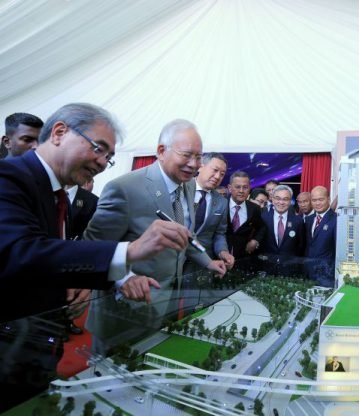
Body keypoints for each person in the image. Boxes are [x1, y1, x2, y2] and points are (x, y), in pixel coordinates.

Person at [0, 103, 185, 411]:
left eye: (109, 158)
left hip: (36, 348)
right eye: (99, 149)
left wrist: (117, 278)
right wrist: (130, 250)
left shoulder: (58, 194)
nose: (102, 163)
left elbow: (51, 261)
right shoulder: (9, 177)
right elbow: (21, 252)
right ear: (59, 132)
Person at [84, 119, 226, 354]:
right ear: (161, 151)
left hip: (167, 303)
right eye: (187, 155)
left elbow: (182, 231)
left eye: (199, 157)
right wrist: (125, 278)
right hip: (124, 308)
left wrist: (207, 261)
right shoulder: (125, 188)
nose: (194, 164)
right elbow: (93, 246)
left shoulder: (188, 185)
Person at [65, 178, 99, 335]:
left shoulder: (92, 201)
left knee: (70, 297)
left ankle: (65, 324)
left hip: (75, 257)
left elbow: (95, 236)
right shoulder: (39, 191)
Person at [192, 152, 234, 268]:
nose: (217, 177)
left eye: (222, 174)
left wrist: (223, 251)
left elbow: (219, 233)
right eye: (215, 170)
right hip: (172, 258)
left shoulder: (222, 202)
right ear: (200, 166)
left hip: (203, 262)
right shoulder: (180, 189)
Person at [260, 184, 305, 276]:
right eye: (277, 198)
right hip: (267, 269)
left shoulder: (298, 221)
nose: (281, 202)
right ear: (272, 199)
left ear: (290, 201)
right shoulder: (263, 218)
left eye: (285, 199)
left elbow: (301, 246)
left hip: (290, 270)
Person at [226, 171, 264, 265]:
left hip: (243, 258)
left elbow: (262, 227)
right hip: (218, 257)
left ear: (249, 189)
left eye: (245, 187)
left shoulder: (254, 208)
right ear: (230, 188)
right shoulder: (220, 205)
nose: (241, 191)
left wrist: (255, 241)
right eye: (238, 187)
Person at [304, 186, 336, 287]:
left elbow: (337, 250)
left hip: (326, 275)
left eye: (321, 199)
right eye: (314, 200)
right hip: (308, 273)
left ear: (328, 199)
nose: (317, 203)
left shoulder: (337, 220)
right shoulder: (309, 220)